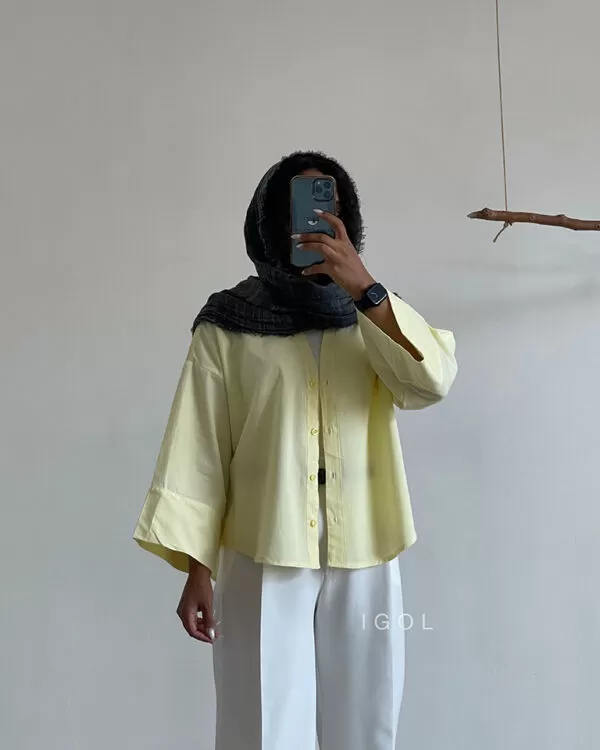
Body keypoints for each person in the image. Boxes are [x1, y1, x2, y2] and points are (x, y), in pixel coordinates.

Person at [133, 150, 458, 750]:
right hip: (263, 546)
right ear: (270, 222)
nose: (313, 222)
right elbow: (201, 449)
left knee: (367, 721)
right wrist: (198, 568)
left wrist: (364, 288)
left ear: (347, 218)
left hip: (365, 544)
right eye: (297, 209)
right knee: (263, 726)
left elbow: (429, 383)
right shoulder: (227, 323)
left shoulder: (374, 314)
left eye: (328, 206)